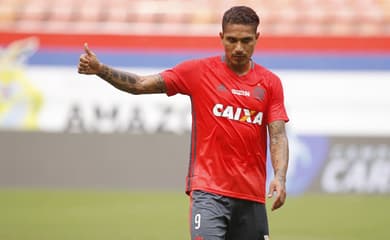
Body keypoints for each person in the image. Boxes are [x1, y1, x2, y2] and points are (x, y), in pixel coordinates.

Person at [78, 5, 289, 240]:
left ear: (257, 38)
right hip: (208, 193)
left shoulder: (270, 83)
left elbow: (278, 135)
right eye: (231, 40)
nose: (238, 48)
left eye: (246, 40)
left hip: (251, 196)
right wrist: (100, 69)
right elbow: (140, 85)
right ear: (221, 37)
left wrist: (279, 177)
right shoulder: (197, 71)